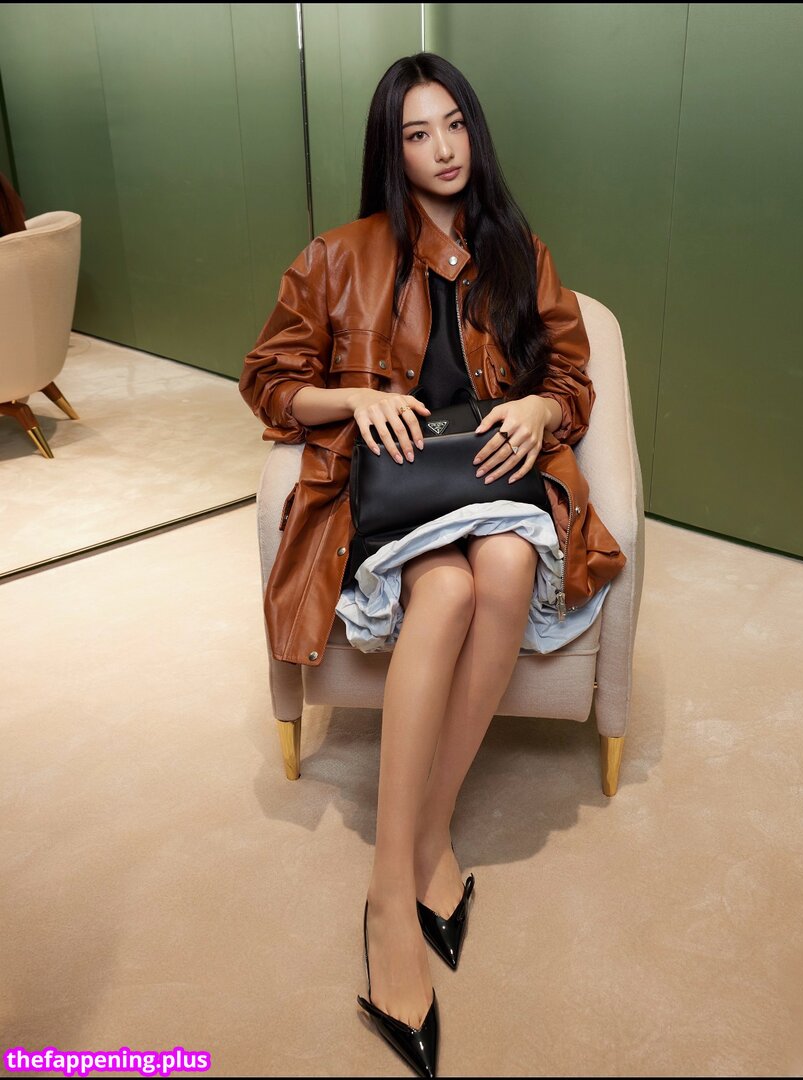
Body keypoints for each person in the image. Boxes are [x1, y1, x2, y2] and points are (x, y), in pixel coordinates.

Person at [239, 53, 626, 1078]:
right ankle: (389, 894)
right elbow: (268, 381)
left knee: (502, 568)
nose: (442, 149)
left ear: (473, 129)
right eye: (417, 133)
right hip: (394, 500)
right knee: (445, 588)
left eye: (453, 124)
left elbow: (571, 374)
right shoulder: (338, 255)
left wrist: (539, 406)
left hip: (491, 481)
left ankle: (425, 836)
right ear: (392, 148)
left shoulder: (517, 250)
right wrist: (353, 398)